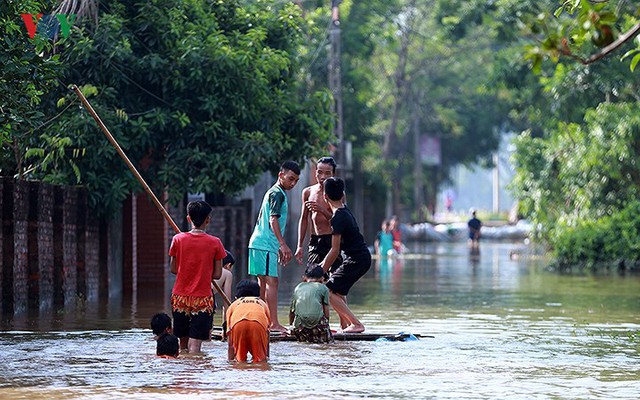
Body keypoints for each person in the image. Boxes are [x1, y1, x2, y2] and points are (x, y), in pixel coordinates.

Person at [248, 160, 300, 333]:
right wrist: (283, 244)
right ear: (280, 175)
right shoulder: (277, 193)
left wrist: (278, 245)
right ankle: (273, 323)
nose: (292, 184)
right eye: (290, 179)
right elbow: (273, 219)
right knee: (272, 282)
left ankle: (261, 321)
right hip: (264, 243)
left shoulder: (274, 192)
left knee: (263, 283)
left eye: (295, 181)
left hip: (260, 243)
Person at [169, 200, 226, 354]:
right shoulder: (215, 243)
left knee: (182, 346)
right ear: (208, 220)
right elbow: (217, 274)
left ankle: (183, 374)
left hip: (180, 298)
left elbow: (173, 269)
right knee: (196, 348)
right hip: (202, 299)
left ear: (189, 218)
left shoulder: (178, 239)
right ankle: (196, 375)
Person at [318, 177, 371, 333]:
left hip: (357, 259)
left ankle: (356, 324)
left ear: (325, 197)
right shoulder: (344, 211)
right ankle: (348, 326)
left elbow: (334, 250)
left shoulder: (338, 217)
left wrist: (321, 271)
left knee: (327, 291)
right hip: (361, 258)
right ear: (342, 195)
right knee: (337, 292)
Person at [295, 156, 342, 275]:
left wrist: (322, 210)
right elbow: (304, 218)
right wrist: (299, 245)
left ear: (333, 174)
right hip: (315, 241)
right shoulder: (308, 192)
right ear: (315, 172)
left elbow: (341, 220)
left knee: (334, 280)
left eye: (327, 173)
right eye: (320, 172)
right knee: (312, 277)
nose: (323, 177)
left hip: (333, 241)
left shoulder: (338, 194)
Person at [226, 279, 271, 363]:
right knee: (260, 361)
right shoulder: (262, 303)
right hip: (258, 323)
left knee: (240, 362)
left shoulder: (233, 305)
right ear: (258, 294)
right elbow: (267, 333)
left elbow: (230, 341)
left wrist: (230, 360)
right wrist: (266, 356)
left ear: (237, 296)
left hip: (238, 324)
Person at [289, 264, 333, 343]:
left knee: (304, 343)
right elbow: (326, 312)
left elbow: (292, 311)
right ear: (322, 278)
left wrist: (291, 327)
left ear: (304, 277)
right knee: (327, 344)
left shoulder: (298, 287)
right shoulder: (323, 288)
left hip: (300, 326)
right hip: (318, 325)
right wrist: (326, 327)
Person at [213, 250, 235, 339]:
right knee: (206, 336)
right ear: (228, 265)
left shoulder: (207, 269)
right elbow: (227, 302)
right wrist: (226, 327)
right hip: (207, 298)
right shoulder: (227, 273)